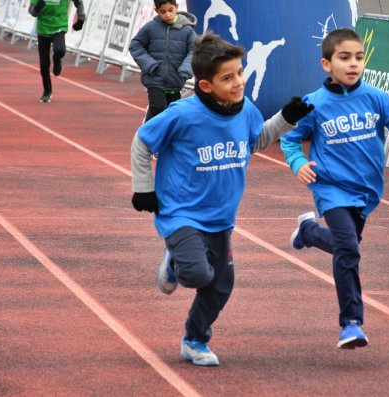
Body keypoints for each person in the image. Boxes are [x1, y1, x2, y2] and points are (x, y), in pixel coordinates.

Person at [131, 31, 314, 366]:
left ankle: (194, 340)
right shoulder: (182, 114)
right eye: (228, 78)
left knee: (221, 284)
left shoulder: (244, 111)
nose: (238, 82)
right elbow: (143, 141)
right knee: (198, 275)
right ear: (205, 86)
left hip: (221, 217)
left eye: (240, 73)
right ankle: (175, 259)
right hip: (181, 212)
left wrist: (286, 119)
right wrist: (144, 187)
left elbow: (255, 141)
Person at [281, 28, 389, 349]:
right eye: (344, 57)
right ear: (326, 64)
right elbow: (289, 138)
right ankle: (351, 323)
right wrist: (297, 163)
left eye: (359, 57)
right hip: (329, 189)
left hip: (366, 190)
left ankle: (309, 232)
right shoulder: (313, 104)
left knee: (348, 244)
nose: (354, 63)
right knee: (349, 251)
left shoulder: (377, 99)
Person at [128, 0, 196, 122]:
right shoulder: (150, 27)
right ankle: (145, 136)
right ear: (156, 11)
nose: (168, 15)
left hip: (176, 80)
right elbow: (135, 45)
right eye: (163, 12)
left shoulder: (187, 31)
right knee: (158, 108)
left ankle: (165, 138)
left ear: (177, 7)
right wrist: (150, 64)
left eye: (171, 10)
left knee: (172, 114)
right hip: (154, 78)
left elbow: (195, 51)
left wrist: (186, 69)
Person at [29, 0, 85, 103]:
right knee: (44, 64)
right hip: (43, 28)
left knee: (60, 50)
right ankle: (47, 91)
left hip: (59, 25)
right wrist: (37, 9)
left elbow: (78, 2)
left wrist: (81, 17)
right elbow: (32, 11)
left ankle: (57, 58)